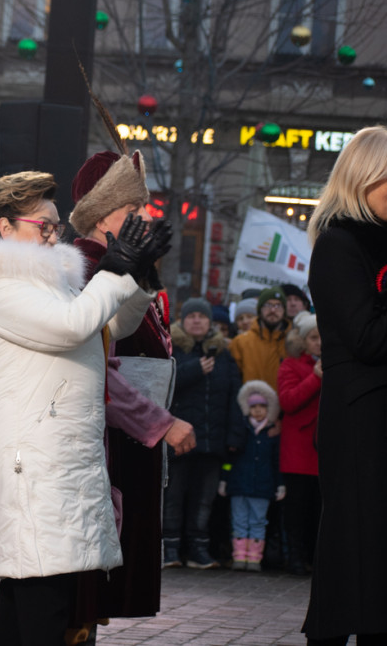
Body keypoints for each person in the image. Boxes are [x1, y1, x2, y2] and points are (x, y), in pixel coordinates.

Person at [0, 170, 170, 643]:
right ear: (5, 227)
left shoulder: (46, 280)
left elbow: (109, 326)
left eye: (56, 226)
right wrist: (114, 267)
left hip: (58, 446)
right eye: (42, 224)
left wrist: (137, 273)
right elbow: (71, 326)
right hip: (31, 450)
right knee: (41, 583)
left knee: (34, 583)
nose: (53, 233)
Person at [67, 147, 195, 632]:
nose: (143, 220)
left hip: (134, 432)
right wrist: (155, 422)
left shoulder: (120, 265)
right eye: (132, 212)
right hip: (115, 433)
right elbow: (97, 360)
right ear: (102, 217)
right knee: (90, 573)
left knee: (109, 575)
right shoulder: (85, 264)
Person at [302, 125, 387, 644]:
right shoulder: (340, 245)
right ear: (363, 176)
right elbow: (366, 338)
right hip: (362, 423)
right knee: (356, 551)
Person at [163, 297, 244, 570]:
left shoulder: (223, 354)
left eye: (202, 316)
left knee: (204, 501)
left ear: (210, 322)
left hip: (212, 442)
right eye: (191, 315)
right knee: (173, 498)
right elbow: (165, 385)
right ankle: (170, 549)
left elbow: (235, 397)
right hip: (178, 442)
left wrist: (233, 436)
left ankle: (199, 550)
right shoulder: (172, 350)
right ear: (182, 321)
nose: (196, 319)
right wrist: (193, 370)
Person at [277, 312, 321, 576]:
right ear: (303, 341)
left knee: (318, 512)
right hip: (298, 452)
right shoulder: (291, 366)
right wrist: (316, 377)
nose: (320, 343)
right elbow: (289, 401)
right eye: (314, 338)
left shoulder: (336, 364)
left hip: (324, 451)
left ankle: (316, 559)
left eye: (322, 337)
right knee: (296, 512)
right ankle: (294, 558)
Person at [222, 380, 282, 572]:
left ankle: (255, 558)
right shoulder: (241, 431)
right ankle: (239, 556)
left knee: (258, 521)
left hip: (263, 487)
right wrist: (224, 478)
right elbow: (229, 458)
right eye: (253, 406)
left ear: (269, 408)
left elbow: (276, 461)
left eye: (262, 407)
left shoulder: (272, 434)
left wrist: (280, 484)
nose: (257, 411)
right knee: (239, 520)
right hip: (238, 484)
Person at [229, 287, 291, 388]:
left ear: (284, 311)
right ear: (259, 309)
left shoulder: (293, 344)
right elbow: (233, 382)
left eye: (278, 305)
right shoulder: (241, 342)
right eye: (268, 305)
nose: (273, 310)